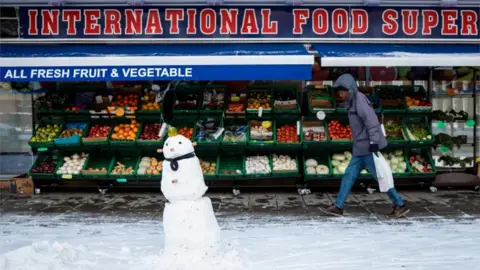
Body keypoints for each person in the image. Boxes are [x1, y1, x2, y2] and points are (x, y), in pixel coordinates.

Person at [322, 74, 410, 218]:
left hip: (369, 148)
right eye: (339, 92)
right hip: (359, 149)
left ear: (350, 90)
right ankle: (338, 206)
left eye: (342, 91)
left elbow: (372, 123)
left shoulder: (360, 101)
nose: (340, 94)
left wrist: (374, 143)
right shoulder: (351, 101)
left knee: (381, 177)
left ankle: (399, 204)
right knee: (348, 175)